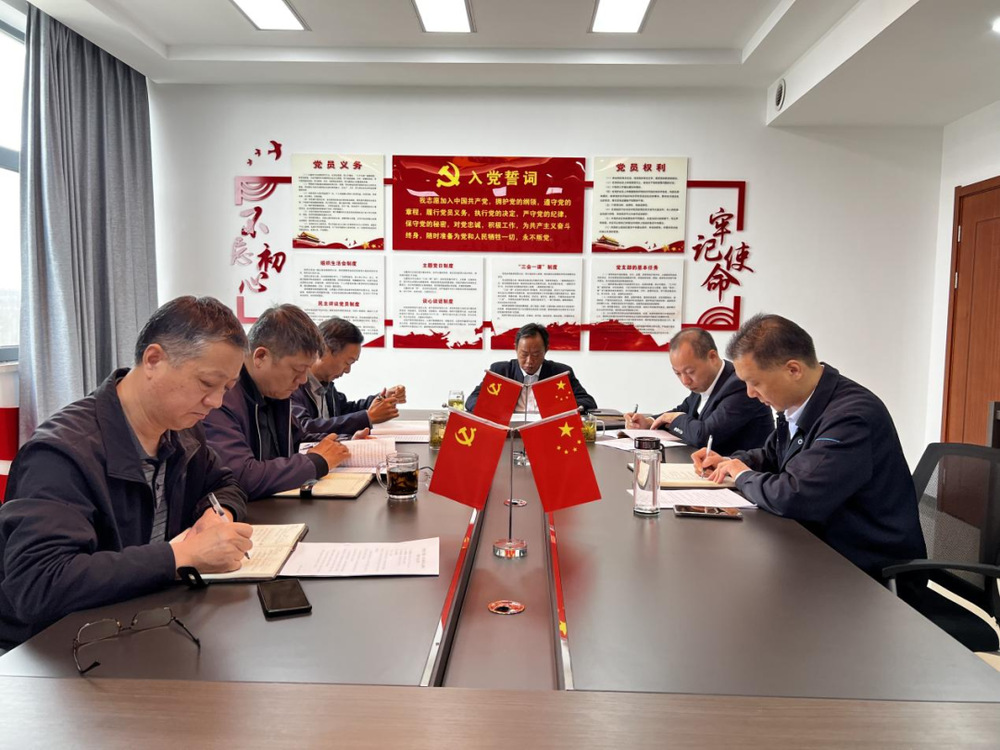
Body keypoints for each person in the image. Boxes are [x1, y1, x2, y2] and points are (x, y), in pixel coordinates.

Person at [0, 296, 254, 649]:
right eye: (206, 383)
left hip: (139, 623)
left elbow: (225, 483)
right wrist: (183, 555)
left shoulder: (181, 433)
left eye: (226, 388)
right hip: (60, 649)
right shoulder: (61, 454)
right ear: (154, 360)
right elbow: (40, 583)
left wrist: (217, 514)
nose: (216, 402)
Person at [694, 313, 926, 580]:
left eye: (755, 382)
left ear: (793, 370)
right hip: (820, 547)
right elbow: (773, 456)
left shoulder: (851, 417)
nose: (750, 393)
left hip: (866, 569)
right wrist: (729, 462)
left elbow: (796, 495)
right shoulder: (799, 405)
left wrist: (742, 475)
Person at [204, 304, 349, 501]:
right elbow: (240, 476)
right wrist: (316, 462)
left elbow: (300, 438)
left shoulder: (273, 393)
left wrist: (345, 443)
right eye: (297, 370)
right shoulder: (221, 399)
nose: (303, 381)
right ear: (261, 357)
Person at [624, 328, 773, 455]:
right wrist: (649, 422)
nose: (685, 381)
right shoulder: (703, 382)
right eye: (678, 373)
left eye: (690, 372)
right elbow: (683, 410)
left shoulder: (740, 384)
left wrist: (674, 419)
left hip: (743, 473)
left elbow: (704, 435)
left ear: (712, 357)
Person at [290, 317, 405, 436]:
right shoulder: (292, 385)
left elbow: (345, 411)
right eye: (348, 362)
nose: (348, 370)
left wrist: (382, 399)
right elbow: (303, 428)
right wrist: (368, 417)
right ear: (325, 350)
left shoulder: (325, 385)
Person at [466, 323, 597, 413]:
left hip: (547, 430)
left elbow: (588, 401)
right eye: (524, 354)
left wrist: (557, 407)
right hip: (510, 431)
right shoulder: (500, 371)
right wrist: (496, 409)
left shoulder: (560, 373)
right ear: (516, 349)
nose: (529, 361)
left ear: (546, 350)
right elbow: (472, 400)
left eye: (536, 354)